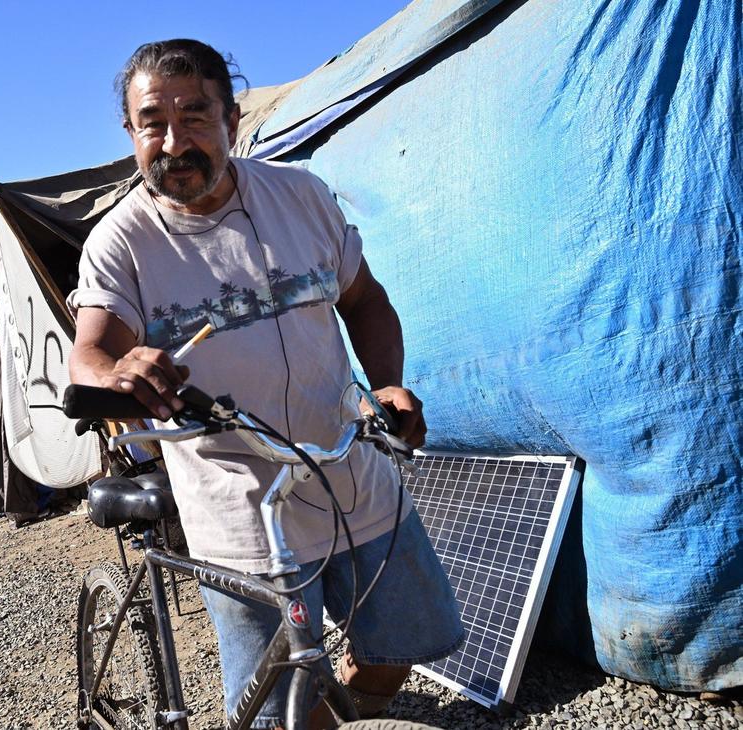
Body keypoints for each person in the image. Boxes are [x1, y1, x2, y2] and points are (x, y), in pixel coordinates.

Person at [67, 39, 463, 728]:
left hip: (352, 471)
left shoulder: (300, 196)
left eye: (194, 116)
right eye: (152, 122)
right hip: (243, 510)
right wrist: (116, 369)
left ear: (232, 121)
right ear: (130, 133)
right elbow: (91, 352)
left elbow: (365, 301)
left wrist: (388, 386)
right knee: (278, 712)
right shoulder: (121, 241)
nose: (172, 140)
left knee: (403, 649)